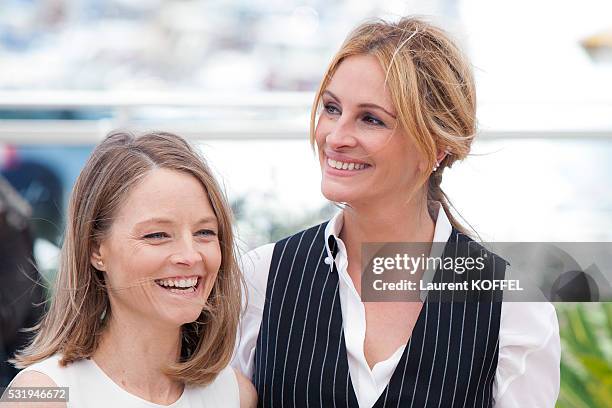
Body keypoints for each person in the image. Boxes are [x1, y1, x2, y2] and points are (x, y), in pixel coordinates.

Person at [232, 17, 560, 407]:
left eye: (371, 119)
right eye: (332, 108)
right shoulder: (261, 279)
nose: (335, 137)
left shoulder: (514, 310)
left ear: (435, 146)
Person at [5, 131, 257, 407]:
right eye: (157, 235)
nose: (190, 255)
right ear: (95, 249)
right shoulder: (38, 393)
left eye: (205, 232)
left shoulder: (236, 394)